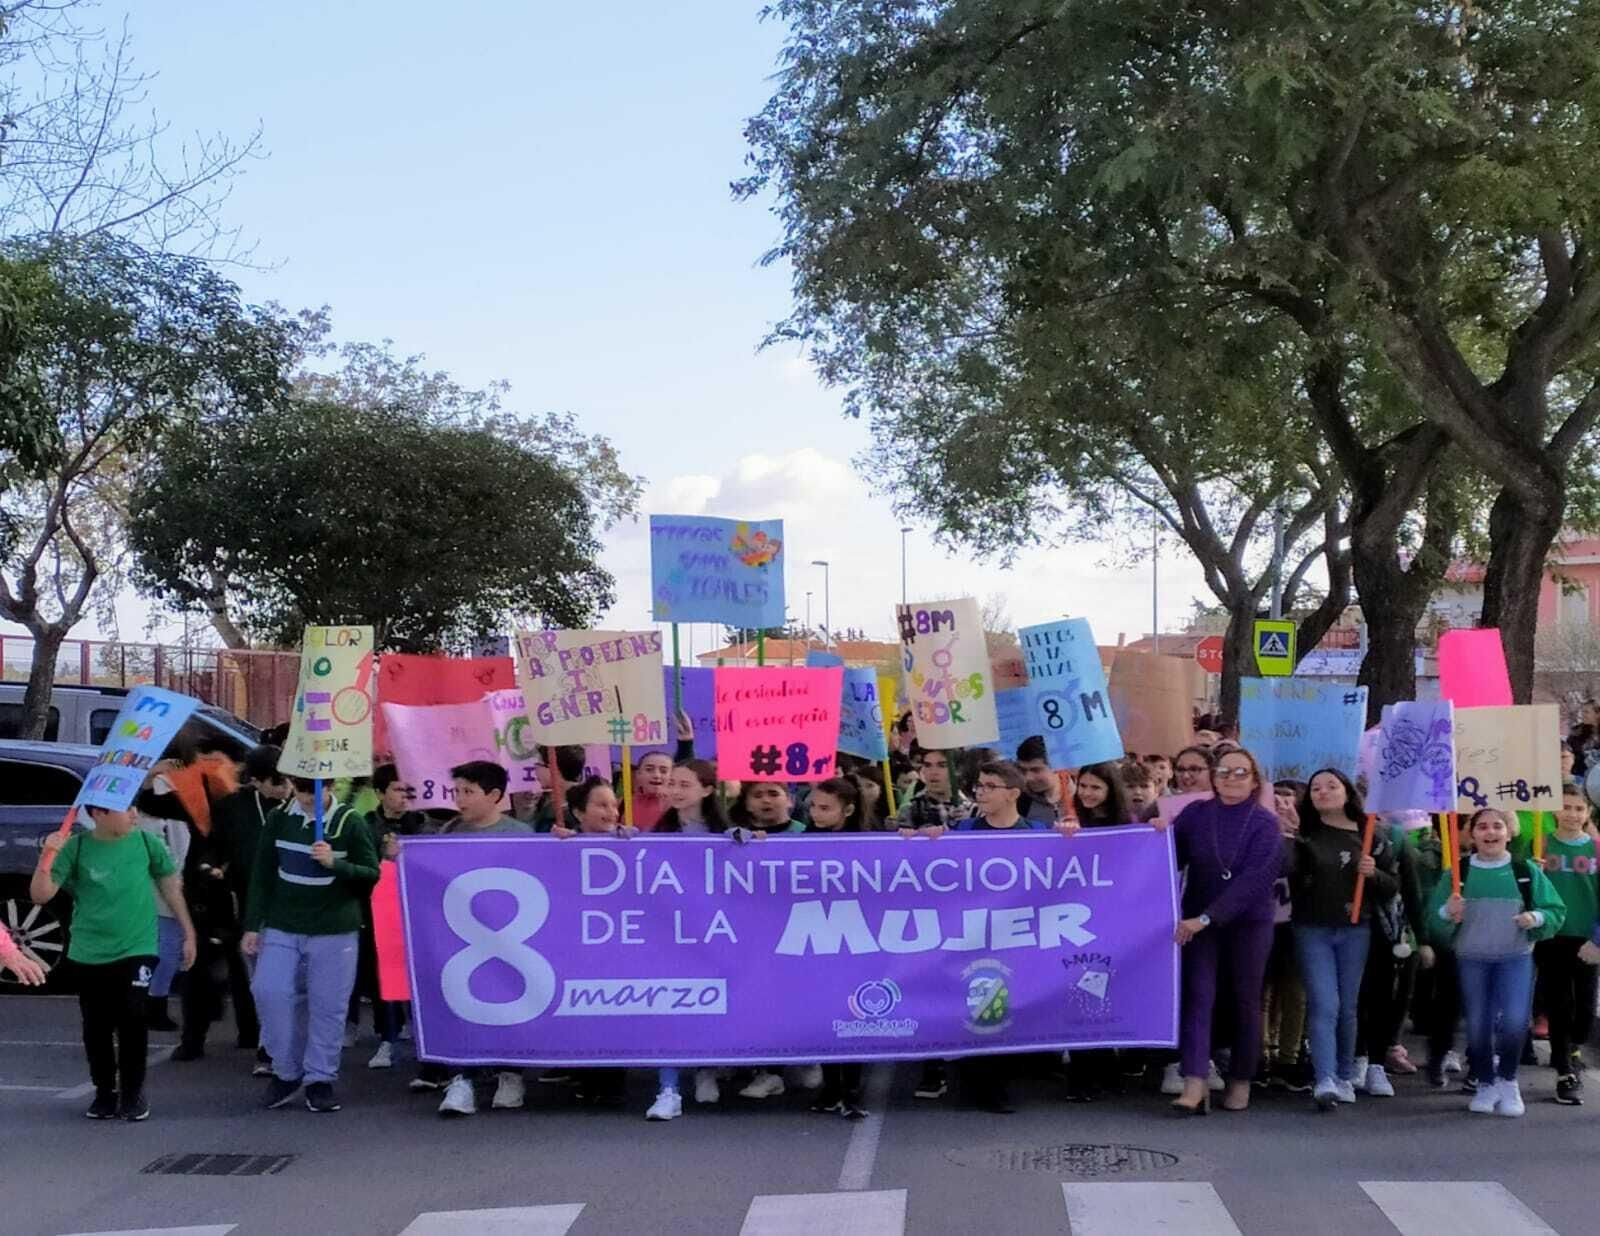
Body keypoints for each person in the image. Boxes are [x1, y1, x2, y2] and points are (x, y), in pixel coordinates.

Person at [31, 805, 197, 1120]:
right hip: (89, 950)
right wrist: (48, 856)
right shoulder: (77, 847)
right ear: (99, 814)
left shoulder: (148, 843)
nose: (134, 815)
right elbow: (41, 895)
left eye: (135, 807)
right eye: (125, 810)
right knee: (97, 1026)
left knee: (134, 1016)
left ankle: (133, 1093)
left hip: (137, 946)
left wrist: (188, 931)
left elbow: (171, 887)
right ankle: (105, 1091)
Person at [243, 777, 379, 1115]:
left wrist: (337, 864)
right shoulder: (279, 817)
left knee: (328, 1004)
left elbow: (371, 873)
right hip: (283, 923)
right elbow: (262, 872)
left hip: (335, 928)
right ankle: (286, 1070)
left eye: (317, 791)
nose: (308, 798)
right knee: (268, 990)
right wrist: (252, 924)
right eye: (302, 791)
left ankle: (320, 1078)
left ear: (330, 788)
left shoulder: (350, 821)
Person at [1162, 747, 1281, 1114]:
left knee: (1245, 1000)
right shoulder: (1196, 814)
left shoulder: (1265, 823)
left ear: (1255, 780)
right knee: (1198, 997)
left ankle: (1241, 1079)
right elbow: (1167, 856)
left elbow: (1254, 881)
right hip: (1198, 923)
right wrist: (1155, 833)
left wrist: (1209, 917)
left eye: (1240, 772)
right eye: (1224, 771)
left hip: (1248, 923)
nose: (1231, 778)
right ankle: (1195, 1082)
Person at [1427, 807, 1566, 1117]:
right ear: (1472, 834)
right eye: (1483, 827)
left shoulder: (1526, 870)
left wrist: (1536, 917)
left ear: (1509, 832)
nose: (1490, 833)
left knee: (1516, 1021)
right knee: (1478, 1025)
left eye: (1497, 826)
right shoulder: (1458, 874)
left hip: (1515, 959)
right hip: (1471, 959)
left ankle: (1508, 1081)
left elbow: (1555, 910)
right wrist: (1447, 913)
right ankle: (1486, 1084)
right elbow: (1433, 923)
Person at [423, 762, 538, 1116]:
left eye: (468, 792)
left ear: (494, 796)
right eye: (456, 791)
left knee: (510, 1004)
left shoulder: (521, 835)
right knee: (461, 1006)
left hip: (514, 939)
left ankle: (511, 1074)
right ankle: (462, 1079)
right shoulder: (447, 832)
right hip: (461, 940)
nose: (460, 799)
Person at [1287, 770, 1397, 1111]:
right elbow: (1287, 874)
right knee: (1324, 1004)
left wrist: (1373, 874)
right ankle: (1324, 1078)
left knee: (1348, 1005)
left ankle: (1346, 1074)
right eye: (1316, 788)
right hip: (1311, 928)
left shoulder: (1372, 836)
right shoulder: (1303, 834)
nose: (1323, 792)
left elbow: (1393, 885)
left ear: (1347, 792)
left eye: (1331, 786)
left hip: (1356, 929)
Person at [203, 744, 291, 1071]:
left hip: (298, 905)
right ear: (255, 781)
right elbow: (215, 846)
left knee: (293, 984)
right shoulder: (232, 808)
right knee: (265, 981)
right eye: (276, 781)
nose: (285, 788)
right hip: (253, 904)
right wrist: (212, 867)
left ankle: (289, 1045)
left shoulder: (302, 805)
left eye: (288, 780)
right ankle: (265, 1045)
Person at [803, 777, 869, 1120]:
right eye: (813, 806)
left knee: (854, 1013)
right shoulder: (802, 841)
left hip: (855, 940)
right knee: (825, 1014)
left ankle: (853, 1089)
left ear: (849, 810)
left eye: (825, 808)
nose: (816, 813)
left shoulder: (868, 843)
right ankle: (831, 1087)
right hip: (817, 939)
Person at [359, 764, 430, 1070]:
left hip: (417, 911)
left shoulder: (421, 823)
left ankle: (422, 1033)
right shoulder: (366, 825)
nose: (404, 797)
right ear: (380, 793)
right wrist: (385, 857)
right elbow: (361, 868)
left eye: (408, 791)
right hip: (380, 911)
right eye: (397, 790)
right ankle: (387, 1037)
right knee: (385, 978)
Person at [1537, 782, 1598, 1104]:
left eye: (1579, 808)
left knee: (1586, 1009)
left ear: (1588, 812)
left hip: (1587, 940)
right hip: (1551, 937)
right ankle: (1565, 1071)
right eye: (1567, 807)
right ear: (1554, 809)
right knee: (1559, 1003)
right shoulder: (1541, 847)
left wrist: (1598, 941)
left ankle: (1572, 1047)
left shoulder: (1597, 850)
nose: (1572, 814)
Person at [132, 775, 192, 1032]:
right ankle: (152, 1005)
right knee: (163, 949)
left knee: (165, 949)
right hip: (155, 883)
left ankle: (153, 1003)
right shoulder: (153, 797)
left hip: (167, 881)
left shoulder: (174, 789)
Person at [1262, 780, 1308, 1092]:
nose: (1281, 802)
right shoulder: (1256, 832)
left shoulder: (1308, 837)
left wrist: (1296, 837)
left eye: (1288, 796)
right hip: (1263, 925)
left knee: (1295, 993)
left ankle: (1288, 1060)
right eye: (1275, 795)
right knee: (1261, 993)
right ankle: (1261, 1056)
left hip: (1298, 926)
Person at [895, 747, 970, 833]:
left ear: (957, 770)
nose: (933, 772)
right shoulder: (910, 810)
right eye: (928, 765)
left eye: (942, 766)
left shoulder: (973, 810)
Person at [655, 759, 731, 835]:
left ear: (707, 791)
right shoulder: (660, 828)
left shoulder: (724, 832)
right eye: (671, 784)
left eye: (684, 785)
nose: (675, 791)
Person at [1015, 736, 1064, 823]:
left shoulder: (1084, 795)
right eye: (1022, 770)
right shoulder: (1016, 800)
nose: (1028, 778)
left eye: (1035, 770)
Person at [730, 781, 805, 834]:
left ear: (790, 800)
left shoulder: (806, 833)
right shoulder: (738, 837)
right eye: (758, 796)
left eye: (774, 795)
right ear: (747, 805)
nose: (766, 800)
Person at [1071, 762, 1132, 827]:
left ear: (1111, 789)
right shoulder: (1071, 818)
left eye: (1095, 787)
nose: (1087, 793)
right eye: (1083, 786)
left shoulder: (1129, 821)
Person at [630, 750, 675, 831]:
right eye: (649, 769)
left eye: (663, 771)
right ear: (638, 774)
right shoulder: (621, 804)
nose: (656, 775)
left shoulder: (680, 806)